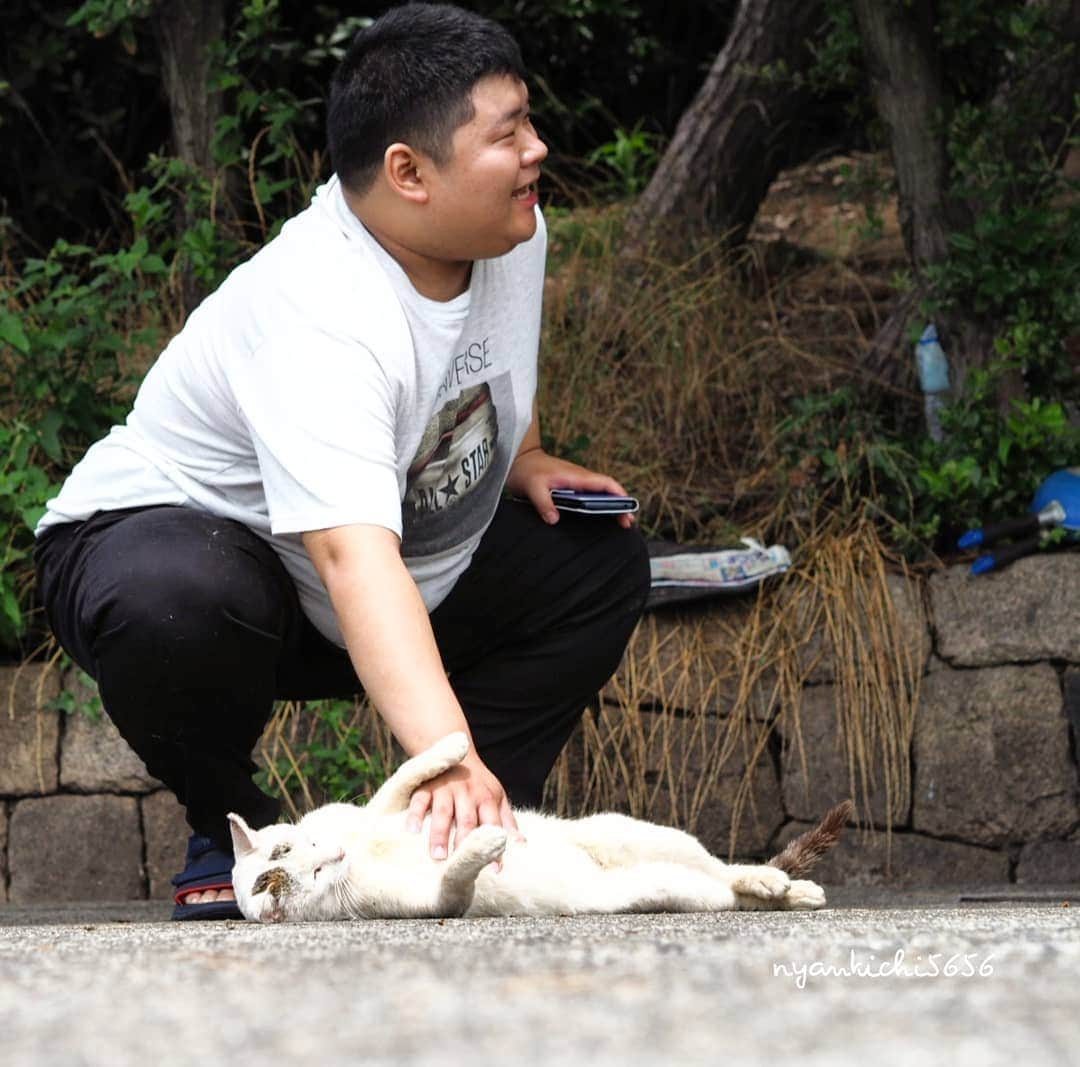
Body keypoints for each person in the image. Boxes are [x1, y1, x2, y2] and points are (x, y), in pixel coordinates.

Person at [33, 2, 649, 921]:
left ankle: (458, 835)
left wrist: (522, 455)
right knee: (177, 598)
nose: (538, 152)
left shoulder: (509, 231)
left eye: (528, 121)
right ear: (409, 173)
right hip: (185, 564)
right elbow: (352, 559)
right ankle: (238, 835)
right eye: (508, 132)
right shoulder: (320, 311)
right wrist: (440, 742)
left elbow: (484, 362)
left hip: (359, 576)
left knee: (594, 561)